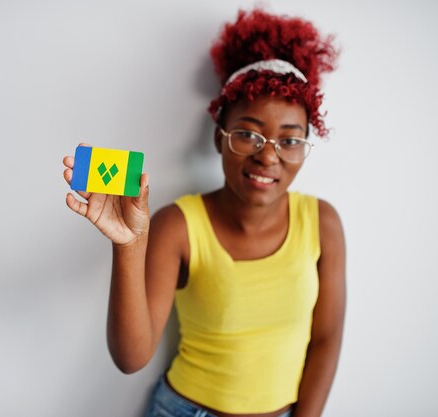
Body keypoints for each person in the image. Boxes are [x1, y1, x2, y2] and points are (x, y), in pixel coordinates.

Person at [62, 8, 345, 417]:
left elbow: (327, 339)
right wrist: (128, 243)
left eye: (290, 140)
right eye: (248, 133)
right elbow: (131, 357)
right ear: (219, 138)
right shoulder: (178, 225)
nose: (268, 156)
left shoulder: (323, 224)